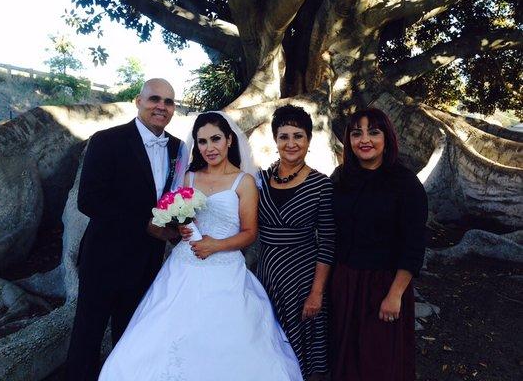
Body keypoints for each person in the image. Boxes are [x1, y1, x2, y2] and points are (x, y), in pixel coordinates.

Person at [98, 111, 303, 380]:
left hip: (225, 270)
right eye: (202, 141)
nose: (209, 148)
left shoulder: (245, 182)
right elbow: (172, 220)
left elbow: (250, 233)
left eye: (216, 139)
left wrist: (216, 245)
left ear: (229, 140)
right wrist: (178, 227)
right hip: (183, 267)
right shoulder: (189, 178)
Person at [66, 78, 189, 381]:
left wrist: (178, 225)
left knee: (132, 336)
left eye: (168, 102)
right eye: (155, 99)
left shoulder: (178, 149)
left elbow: (178, 197)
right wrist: (144, 223)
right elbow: (89, 200)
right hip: (104, 258)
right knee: (87, 335)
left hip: (148, 261)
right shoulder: (107, 140)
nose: (161, 106)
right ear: (138, 101)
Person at [329, 108, 428, 381]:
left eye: (374, 131)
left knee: (379, 361)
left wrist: (395, 294)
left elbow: (414, 244)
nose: (365, 139)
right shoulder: (341, 178)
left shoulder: (405, 183)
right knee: (346, 358)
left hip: (384, 285)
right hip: (345, 282)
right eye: (356, 132)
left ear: (387, 138)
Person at [257, 105, 335, 380]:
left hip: (301, 278)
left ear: (309, 140)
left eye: (298, 136)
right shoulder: (261, 180)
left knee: (302, 347)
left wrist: (317, 292)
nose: (291, 143)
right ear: (275, 140)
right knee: (267, 341)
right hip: (265, 275)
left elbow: (327, 242)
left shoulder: (321, 185)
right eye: (284, 136)